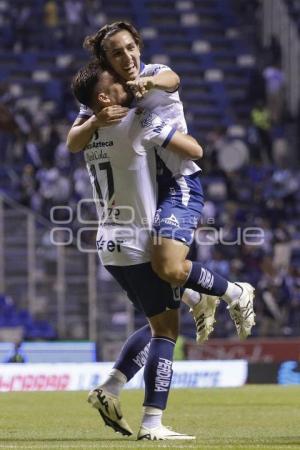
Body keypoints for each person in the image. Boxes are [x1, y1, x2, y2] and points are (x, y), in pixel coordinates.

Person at [67, 21, 256, 342]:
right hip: (145, 191)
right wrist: (96, 119)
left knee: (166, 266)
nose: (127, 56)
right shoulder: (106, 91)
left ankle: (235, 292)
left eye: (131, 47)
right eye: (117, 53)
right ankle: (198, 298)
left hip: (177, 182)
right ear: (106, 61)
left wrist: (149, 83)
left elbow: (173, 79)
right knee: (148, 265)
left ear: (138, 46)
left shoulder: (155, 72)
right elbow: (73, 142)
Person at [71, 63, 201, 440]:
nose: (125, 83)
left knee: (155, 320)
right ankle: (152, 423)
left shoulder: (86, 132)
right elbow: (195, 152)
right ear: (103, 97)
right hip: (138, 241)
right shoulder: (135, 120)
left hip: (109, 247)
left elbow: (71, 141)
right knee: (166, 330)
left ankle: (110, 387)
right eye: (115, 82)